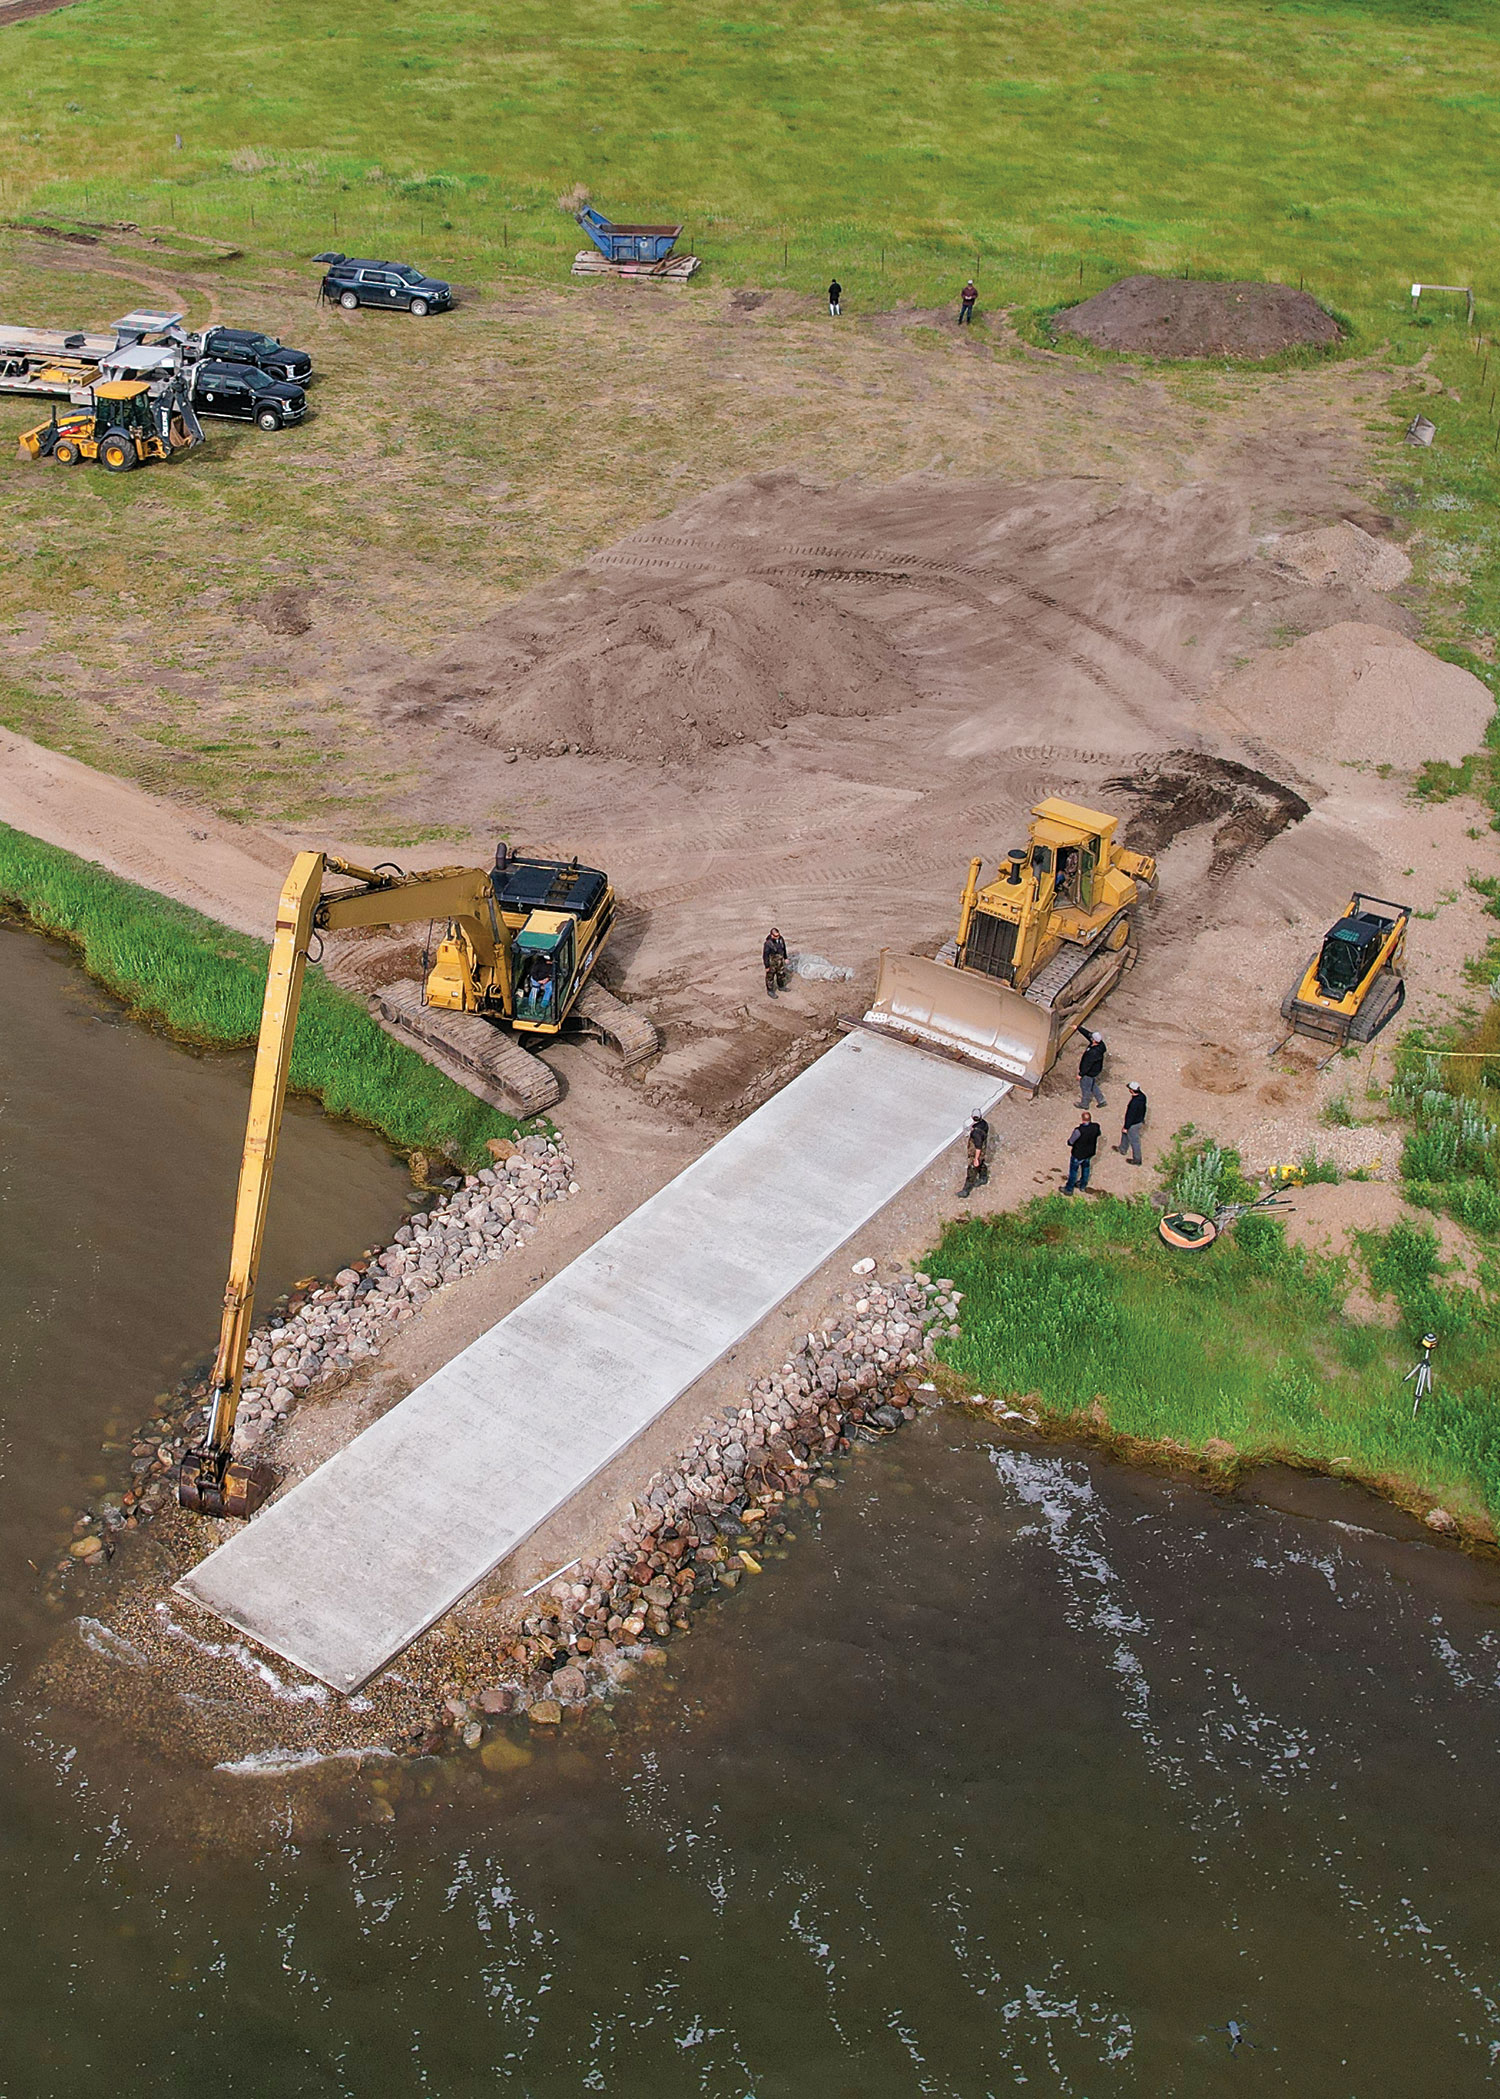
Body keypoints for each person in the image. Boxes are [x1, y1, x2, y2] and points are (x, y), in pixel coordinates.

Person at [1065, 1111, 1100, 1195]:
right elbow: (1098, 1134)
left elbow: (1071, 1142)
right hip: (1089, 1153)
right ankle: (1082, 1185)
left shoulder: (1079, 1131)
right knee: (1086, 1169)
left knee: (1073, 1171)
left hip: (1078, 1154)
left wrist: (1069, 1142)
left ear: (1082, 1119)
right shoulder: (1096, 1127)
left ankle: (1069, 1189)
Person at [960, 1112, 990, 1197]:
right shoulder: (984, 1124)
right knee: (981, 1163)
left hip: (976, 1153)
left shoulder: (976, 1133)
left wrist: (976, 1159)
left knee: (971, 1170)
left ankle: (966, 1190)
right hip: (982, 1151)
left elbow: (978, 1147)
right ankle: (983, 1177)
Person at [1118, 1082, 1147, 1165]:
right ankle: (1122, 1148)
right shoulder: (1143, 1096)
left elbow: (1130, 1116)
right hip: (1139, 1120)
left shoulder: (1134, 1103)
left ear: (1131, 1090)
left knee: (1134, 1141)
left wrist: (1126, 1127)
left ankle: (1137, 1159)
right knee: (1125, 1134)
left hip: (1133, 1124)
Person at [1077, 1030, 1106, 1110]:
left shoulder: (1093, 1053)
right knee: (1092, 1085)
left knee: (1085, 1087)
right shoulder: (1100, 1045)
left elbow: (1087, 1065)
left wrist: (1080, 1074)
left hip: (1089, 1072)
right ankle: (1101, 1100)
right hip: (1095, 1071)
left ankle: (1084, 1104)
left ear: (1094, 1040)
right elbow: (1088, 1035)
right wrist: (1079, 1028)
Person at [763, 927, 788, 997]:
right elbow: (765, 955)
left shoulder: (781, 939)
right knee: (770, 977)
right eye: (776, 936)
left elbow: (784, 948)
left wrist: (785, 958)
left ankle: (781, 986)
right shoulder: (768, 943)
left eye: (778, 935)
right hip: (772, 963)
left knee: (781, 974)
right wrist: (767, 966)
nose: (778, 937)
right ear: (772, 935)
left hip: (780, 961)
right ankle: (770, 990)